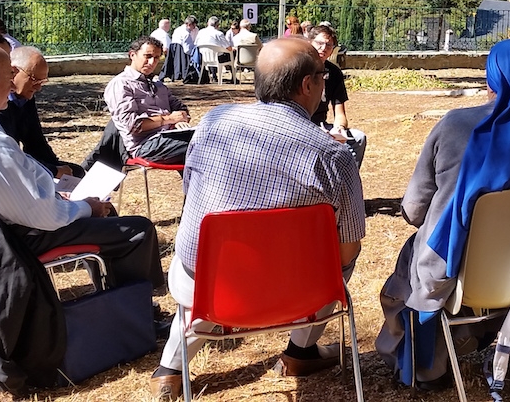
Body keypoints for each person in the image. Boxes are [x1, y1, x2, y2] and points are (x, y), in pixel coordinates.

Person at [149, 37, 365, 399]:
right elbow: (346, 252)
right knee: (343, 258)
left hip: (207, 284)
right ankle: (300, 351)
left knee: (205, 257)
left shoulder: (213, 122)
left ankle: (169, 370)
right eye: (322, 75)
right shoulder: (334, 155)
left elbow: (192, 193)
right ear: (308, 85)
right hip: (301, 292)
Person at [375, 39, 510, 389]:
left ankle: (426, 367)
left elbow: (413, 208)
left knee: (413, 264)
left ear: (491, 79)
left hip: (452, 268)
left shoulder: (454, 126)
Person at [0, 40, 165, 291]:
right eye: (9, 75)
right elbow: (46, 217)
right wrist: (83, 206)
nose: (11, 83)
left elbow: (14, 179)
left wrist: (55, 191)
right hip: (15, 239)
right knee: (137, 229)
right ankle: (137, 312)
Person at [103, 36, 193, 166]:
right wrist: (169, 119)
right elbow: (134, 126)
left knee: (211, 138)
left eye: (156, 58)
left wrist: (179, 121)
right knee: (202, 144)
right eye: (147, 56)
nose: (152, 62)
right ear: (132, 55)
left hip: (170, 137)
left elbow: (180, 107)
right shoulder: (121, 84)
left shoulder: (157, 83)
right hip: (146, 145)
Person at [0, 46, 85, 179]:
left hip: (25, 164)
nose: (38, 88)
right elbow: (11, 156)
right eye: (34, 80)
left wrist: (57, 167)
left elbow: (36, 142)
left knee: (76, 172)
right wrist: (53, 171)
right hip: (8, 169)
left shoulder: (26, 98)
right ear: (14, 71)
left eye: (42, 82)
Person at [308, 25, 367, 166]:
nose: (324, 48)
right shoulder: (299, 67)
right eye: (319, 43)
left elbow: (340, 112)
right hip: (300, 124)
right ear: (309, 42)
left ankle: (344, 182)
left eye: (329, 45)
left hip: (321, 126)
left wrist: (339, 128)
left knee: (358, 138)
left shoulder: (334, 72)